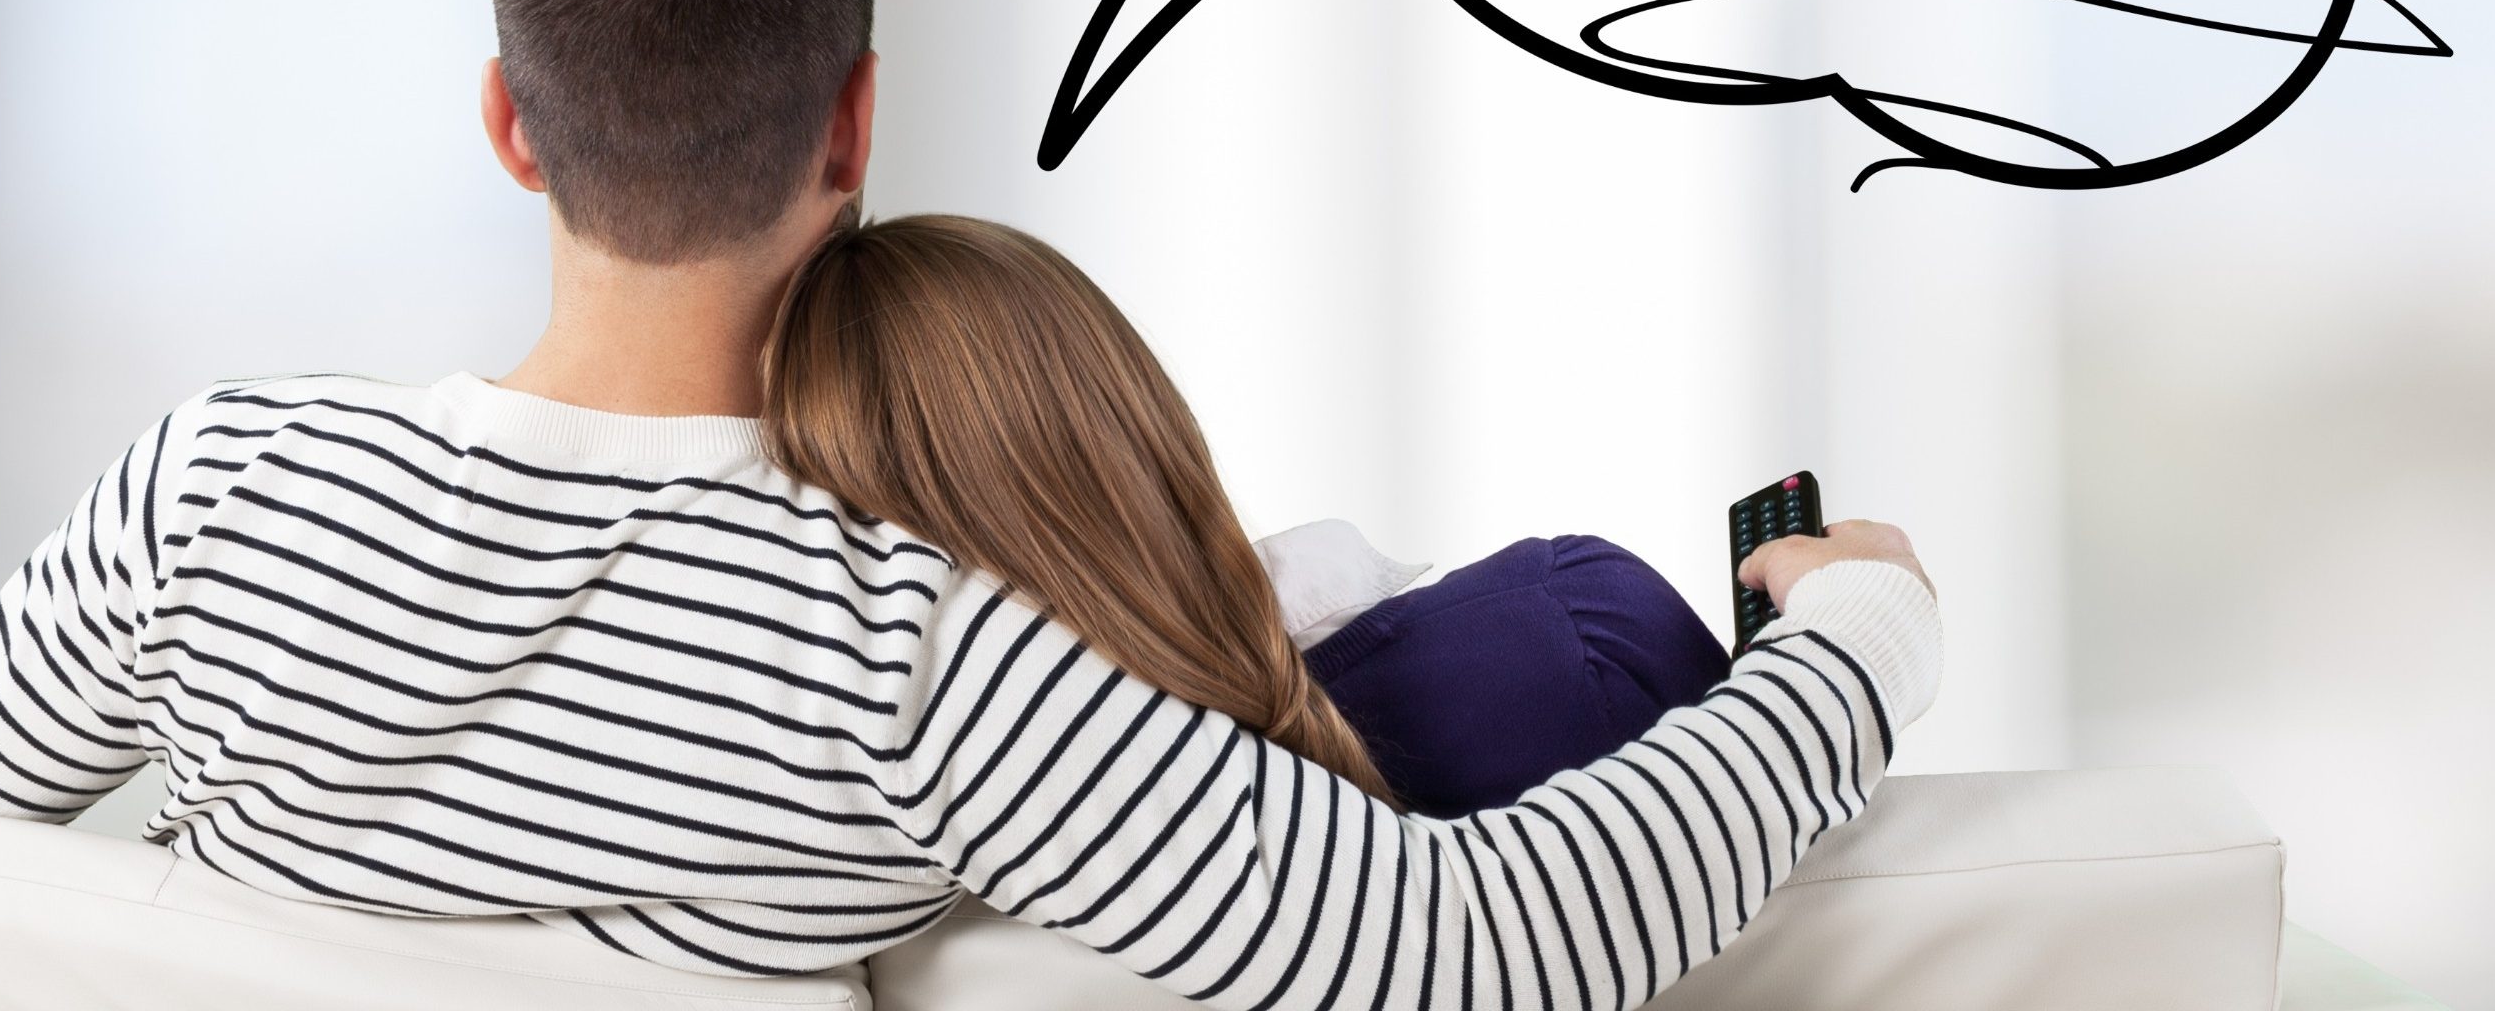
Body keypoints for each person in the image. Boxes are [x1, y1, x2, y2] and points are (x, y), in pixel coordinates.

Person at [0, 0, 1940, 1003]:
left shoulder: (219, 496)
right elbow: (1480, 940)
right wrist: (1852, 638)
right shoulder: (928, 652)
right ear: (853, 124)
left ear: (509, 118)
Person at [757, 214, 1847, 830]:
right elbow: (1829, 875)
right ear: (1130, 416)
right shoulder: (1569, 634)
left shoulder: (907, 848)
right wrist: (1848, 623)